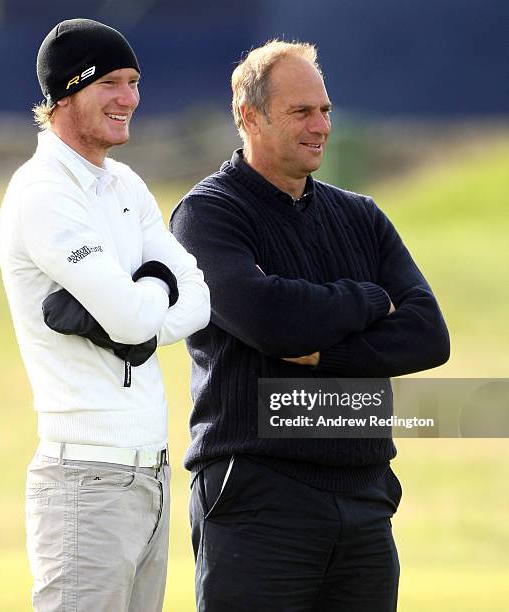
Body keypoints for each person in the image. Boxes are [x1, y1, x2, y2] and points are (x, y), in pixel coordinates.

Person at [170, 40, 450, 612]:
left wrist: (327, 355)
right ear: (249, 117)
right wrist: (372, 298)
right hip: (257, 497)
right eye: (301, 112)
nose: (320, 125)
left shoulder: (362, 216)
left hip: (365, 497)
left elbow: (428, 334)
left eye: (324, 110)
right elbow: (270, 319)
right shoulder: (208, 214)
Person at [0, 18, 210, 612]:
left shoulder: (125, 183)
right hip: (85, 481)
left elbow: (198, 298)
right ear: (65, 94)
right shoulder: (42, 191)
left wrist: (137, 311)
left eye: (134, 82)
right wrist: (143, 305)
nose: (130, 99)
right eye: (110, 83)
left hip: (152, 477)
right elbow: (136, 321)